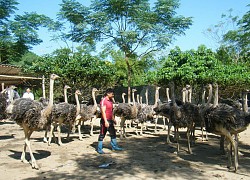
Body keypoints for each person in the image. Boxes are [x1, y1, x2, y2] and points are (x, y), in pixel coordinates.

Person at [97, 88, 123, 154]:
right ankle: (99, 149)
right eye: (112, 94)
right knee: (102, 134)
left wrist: (113, 119)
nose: (113, 95)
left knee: (113, 133)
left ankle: (114, 147)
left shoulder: (110, 101)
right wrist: (105, 121)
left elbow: (111, 111)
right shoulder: (103, 101)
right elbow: (103, 112)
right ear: (108, 94)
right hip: (105, 120)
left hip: (110, 120)